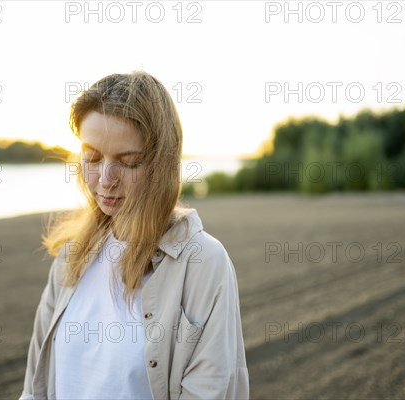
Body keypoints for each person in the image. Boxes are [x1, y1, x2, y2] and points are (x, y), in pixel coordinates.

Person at [20, 71, 249, 400]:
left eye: (128, 163)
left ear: (162, 165)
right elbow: (34, 390)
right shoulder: (71, 256)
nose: (106, 179)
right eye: (92, 158)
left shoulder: (204, 264)